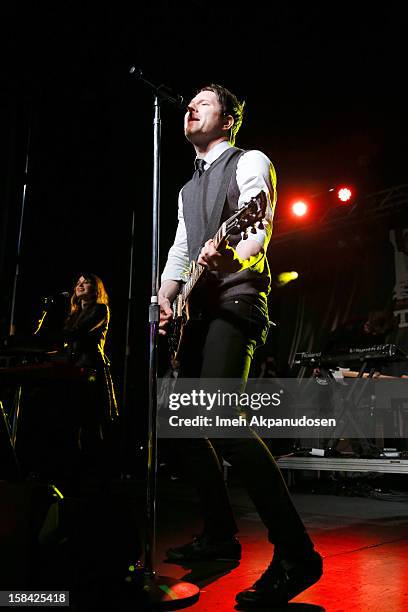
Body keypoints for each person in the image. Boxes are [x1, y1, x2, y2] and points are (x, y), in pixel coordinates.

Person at [158, 84, 322, 607]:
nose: (190, 107)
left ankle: (297, 554)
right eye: (190, 103)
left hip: (236, 303)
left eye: (203, 103)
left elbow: (256, 232)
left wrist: (227, 256)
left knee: (225, 424)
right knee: (183, 427)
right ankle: (220, 536)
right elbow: (183, 247)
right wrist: (167, 297)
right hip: (199, 310)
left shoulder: (249, 162)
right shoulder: (188, 188)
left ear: (228, 120)